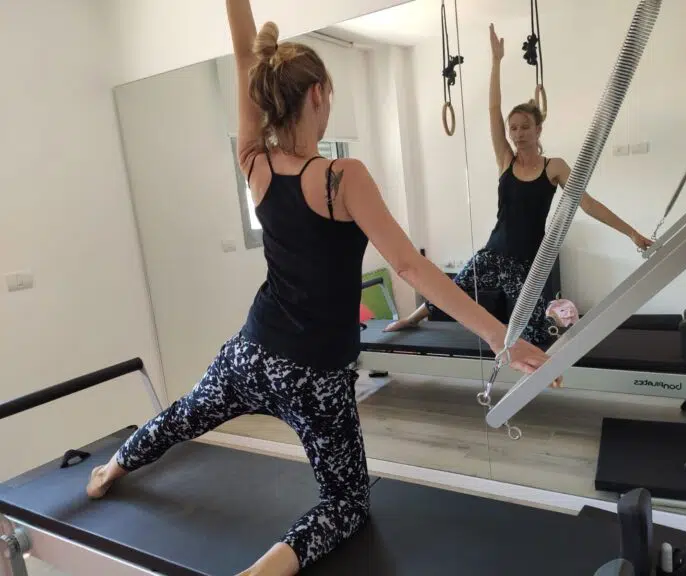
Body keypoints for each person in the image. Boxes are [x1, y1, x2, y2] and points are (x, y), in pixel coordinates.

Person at [84, 4, 556, 576]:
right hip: (317, 376)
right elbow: (409, 266)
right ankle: (262, 569)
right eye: (329, 96)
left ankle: (113, 467)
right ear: (317, 95)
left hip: (252, 354)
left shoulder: (254, 162)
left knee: (183, 414)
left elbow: (243, 54)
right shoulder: (341, 176)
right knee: (346, 503)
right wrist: (502, 338)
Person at [386, 23, 653, 345]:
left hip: (527, 263)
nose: (518, 133)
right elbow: (493, 110)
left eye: (525, 127)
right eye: (513, 128)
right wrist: (496, 61)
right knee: (452, 289)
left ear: (538, 129)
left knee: (534, 331)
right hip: (493, 253)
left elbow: (588, 204)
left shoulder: (554, 167)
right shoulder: (505, 160)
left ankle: (550, 345)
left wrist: (632, 233)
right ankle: (412, 318)